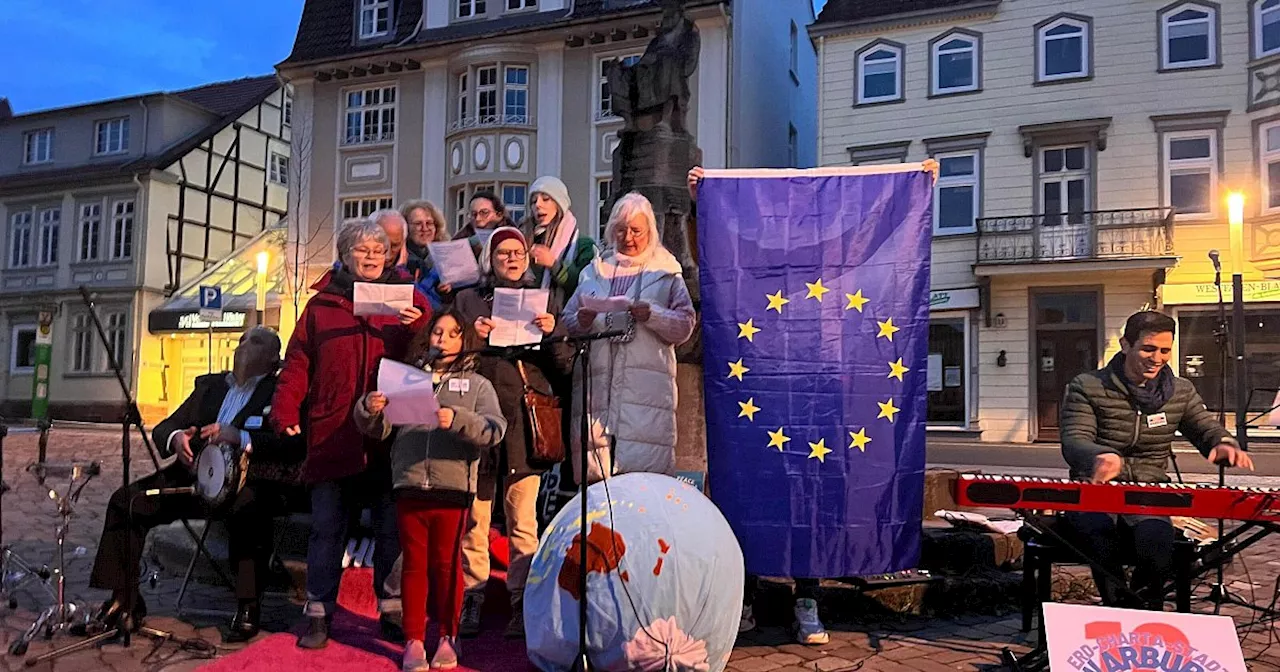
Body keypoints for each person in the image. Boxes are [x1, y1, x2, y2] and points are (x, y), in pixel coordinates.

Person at [84, 327, 301, 643]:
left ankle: (247, 605)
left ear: (273, 358)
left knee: (250, 511)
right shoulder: (210, 386)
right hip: (194, 480)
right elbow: (166, 427)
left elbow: (291, 446)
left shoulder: (278, 391)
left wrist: (240, 436)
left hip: (246, 481)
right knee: (127, 500)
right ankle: (125, 597)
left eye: (255, 342)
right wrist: (177, 440)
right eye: (241, 340)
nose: (243, 347)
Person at [271, 219, 430, 648]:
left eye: (380, 251)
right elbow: (298, 361)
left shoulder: (407, 298)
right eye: (364, 251)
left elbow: (433, 346)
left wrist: (418, 324)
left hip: (388, 434)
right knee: (327, 528)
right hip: (333, 430)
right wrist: (285, 408)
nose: (374, 257)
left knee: (389, 529)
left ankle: (391, 608)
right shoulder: (322, 305)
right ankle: (319, 610)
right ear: (345, 255)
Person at [687, 165, 826, 643]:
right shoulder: (748, 262)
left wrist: (920, 183)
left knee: (806, 499)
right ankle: (741, 596)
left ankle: (806, 598)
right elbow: (710, 256)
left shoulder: (820, 266)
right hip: (752, 400)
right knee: (745, 496)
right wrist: (697, 203)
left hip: (808, 403)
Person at [1061, 310, 1253, 610]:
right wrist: (1101, 455)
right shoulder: (1087, 385)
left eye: (1165, 350)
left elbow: (1205, 428)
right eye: (1148, 348)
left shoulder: (1180, 391)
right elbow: (1074, 440)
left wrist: (1224, 444)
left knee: (1156, 540)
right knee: (1096, 531)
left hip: (1149, 491)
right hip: (1096, 489)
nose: (1157, 357)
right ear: (1126, 345)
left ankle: (1140, 609)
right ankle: (1118, 609)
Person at [354, 310, 506, 671]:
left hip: (452, 486)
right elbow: (378, 428)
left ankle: (448, 637)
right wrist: (370, 409)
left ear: (463, 340)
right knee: (413, 566)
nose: (443, 339)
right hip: (408, 483)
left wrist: (458, 420)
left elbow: (494, 429)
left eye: (453, 333)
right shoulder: (408, 378)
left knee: (446, 565)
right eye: (437, 332)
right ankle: (414, 640)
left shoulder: (478, 384)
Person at [453, 227, 574, 639]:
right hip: (481, 417)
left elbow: (565, 368)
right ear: (491, 258)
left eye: (518, 251)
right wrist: (475, 335)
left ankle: (521, 600)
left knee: (523, 519)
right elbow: (450, 353)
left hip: (525, 419)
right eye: (503, 252)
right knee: (477, 516)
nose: (511, 257)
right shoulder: (468, 299)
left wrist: (552, 330)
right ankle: (473, 596)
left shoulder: (544, 297)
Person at [562, 192, 694, 482]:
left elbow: (686, 325)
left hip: (646, 395)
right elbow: (567, 320)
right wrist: (582, 321)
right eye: (621, 230)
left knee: (643, 484)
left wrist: (654, 315)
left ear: (650, 232)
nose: (628, 237)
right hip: (596, 396)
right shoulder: (592, 272)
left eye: (636, 230)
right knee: (598, 489)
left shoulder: (666, 272)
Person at [521, 176, 597, 306]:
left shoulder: (582, 244)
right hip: (526, 313)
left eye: (546, 199)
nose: (538, 205)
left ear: (559, 204)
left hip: (564, 318)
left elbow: (585, 285)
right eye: (533, 201)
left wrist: (554, 265)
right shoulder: (523, 238)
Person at [401, 199, 450, 310]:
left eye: (429, 223)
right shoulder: (399, 258)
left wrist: (445, 291)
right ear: (406, 227)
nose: (425, 229)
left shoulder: (446, 255)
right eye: (418, 224)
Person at [453, 191, 515, 259]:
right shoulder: (461, 238)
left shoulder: (514, 239)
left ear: (499, 215)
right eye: (473, 214)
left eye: (484, 213)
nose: (477, 219)